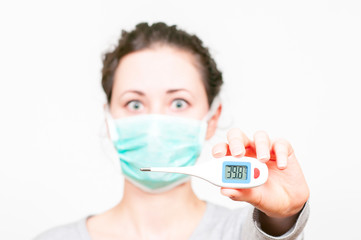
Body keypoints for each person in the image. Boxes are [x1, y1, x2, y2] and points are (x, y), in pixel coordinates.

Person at [35, 22, 310, 240]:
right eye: (134, 103)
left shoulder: (241, 234)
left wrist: (282, 219)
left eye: (179, 103)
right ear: (109, 120)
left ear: (212, 119)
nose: (155, 123)